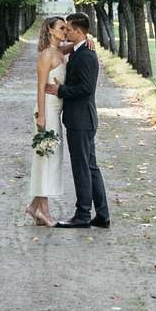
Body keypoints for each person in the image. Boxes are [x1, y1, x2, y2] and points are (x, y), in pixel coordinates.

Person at [47, 12, 109, 229]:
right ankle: (102, 215)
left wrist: (59, 90)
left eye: (70, 29)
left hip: (81, 120)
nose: (67, 32)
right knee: (90, 167)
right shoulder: (80, 50)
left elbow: (85, 89)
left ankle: (83, 215)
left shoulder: (86, 56)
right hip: (81, 119)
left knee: (82, 167)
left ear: (80, 31)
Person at [25, 16, 68, 227]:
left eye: (67, 28)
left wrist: (86, 40)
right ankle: (43, 211)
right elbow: (40, 88)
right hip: (47, 112)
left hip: (57, 112)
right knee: (46, 159)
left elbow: (73, 46)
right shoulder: (45, 55)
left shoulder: (60, 51)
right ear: (51, 30)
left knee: (53, 159)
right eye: (61, 28)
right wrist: (41, 116)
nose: (65, 31)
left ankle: (33, 207)